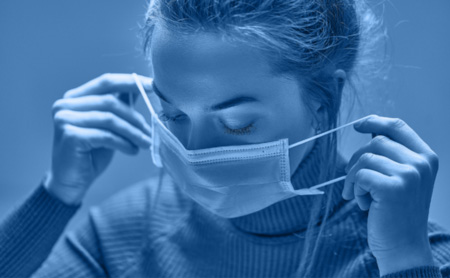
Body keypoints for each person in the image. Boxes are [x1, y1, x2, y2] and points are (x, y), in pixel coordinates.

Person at [1, 0, 450, 277]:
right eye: (171, 112)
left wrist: (405, 263)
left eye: (236, 124)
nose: (194, 153)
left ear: (323, 99)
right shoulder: (120, 237)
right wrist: (55, 197)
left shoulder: (416, 256)